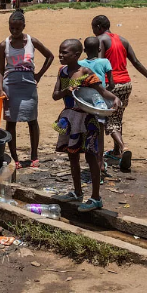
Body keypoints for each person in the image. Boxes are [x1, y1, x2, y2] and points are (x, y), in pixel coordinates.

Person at [52, 39, 121, 212]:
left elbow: (102, 91)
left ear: (76, 55)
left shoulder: (85, 72)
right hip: (69, 118)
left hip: (87, 119)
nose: (60, 55)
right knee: (72, 155)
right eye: (60, 51)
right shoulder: (62, 72)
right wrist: (65, 91)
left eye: (64, 53)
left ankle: (96, 197)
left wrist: (115, 98)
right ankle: (77, 192)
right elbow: (55, 95)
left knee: (92, 157)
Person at [92, 15, 147, 172]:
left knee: (109, 121)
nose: (93, 32)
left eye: (93, 28)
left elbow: (99, 64)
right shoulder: (123, 40)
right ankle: (116, 151)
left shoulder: (100, 40)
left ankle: (123, 147)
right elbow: (136, 62)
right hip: (126, 84)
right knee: (118, 117)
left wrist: (95, 84)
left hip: (112, 86)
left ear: (99, 27)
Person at [0, 10, 54, 168]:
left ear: (24, 26)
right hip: (11, 86)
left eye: (18, 28)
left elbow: (50, 56)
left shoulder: (31, 41)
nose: (14, 32)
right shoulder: (4, 45)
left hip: (29, 85)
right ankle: (15, 158)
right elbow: (1, 70)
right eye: (11, 28)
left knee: (32, 120)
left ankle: (34, 156)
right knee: (11, 122)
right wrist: (0, 89)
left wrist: (39, 75)